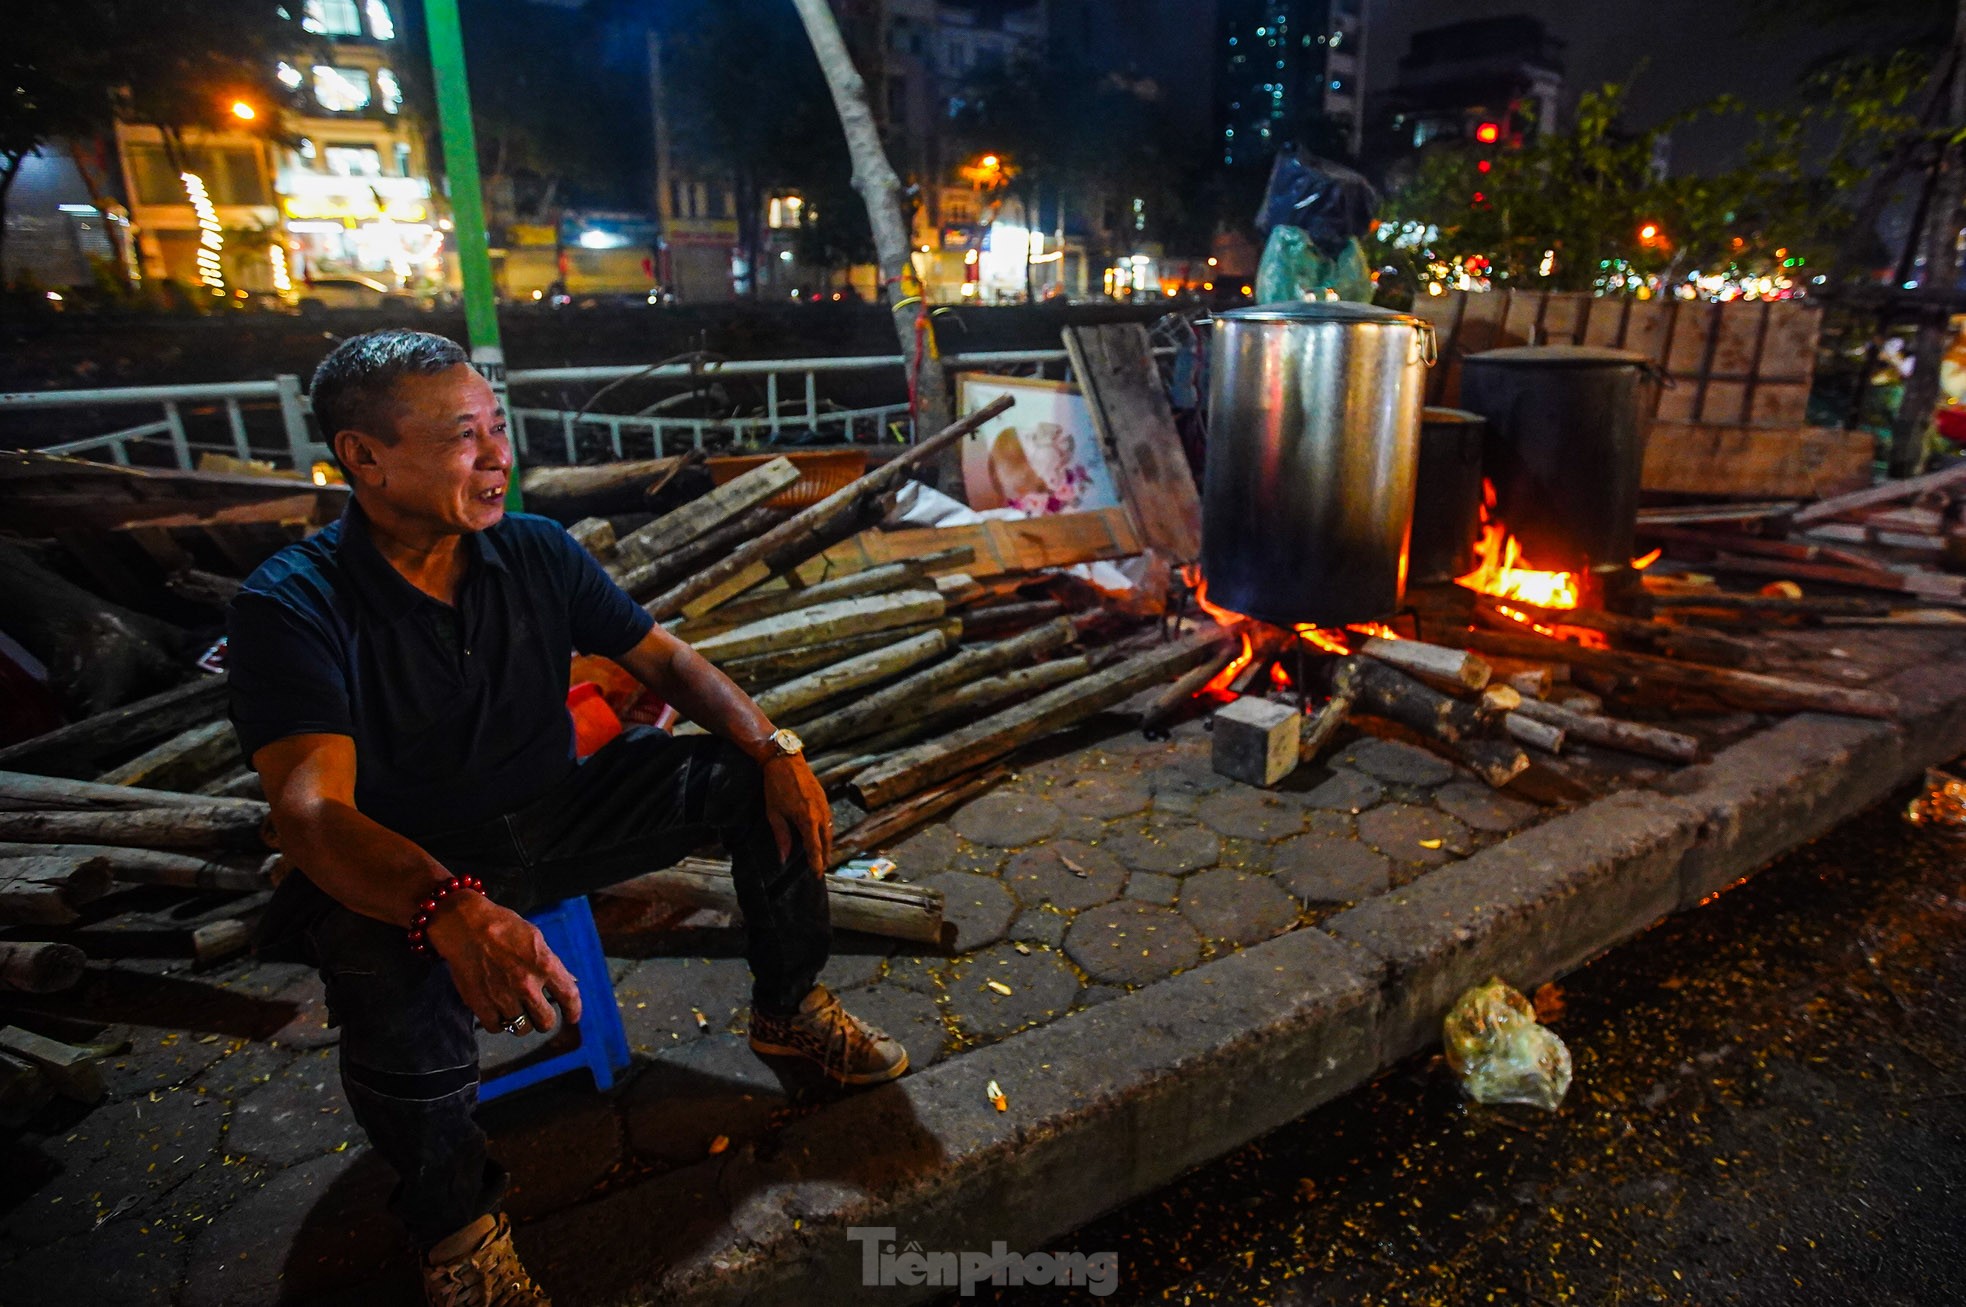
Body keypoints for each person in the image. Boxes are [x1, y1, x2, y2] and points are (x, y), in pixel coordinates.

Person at [228, 329, 906, 1307]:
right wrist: (452, 905)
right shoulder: (292, 604)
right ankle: (458, 1226)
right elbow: (310, 808)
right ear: (363, 456)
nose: (500, 456)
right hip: (416, 859)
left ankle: (789, 1007)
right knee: (381, 971)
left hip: (563, 812)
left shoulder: (534, 551)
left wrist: (772, 745)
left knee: (743, 782)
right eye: (466, 436)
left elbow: (664, 658)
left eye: (498, 429)